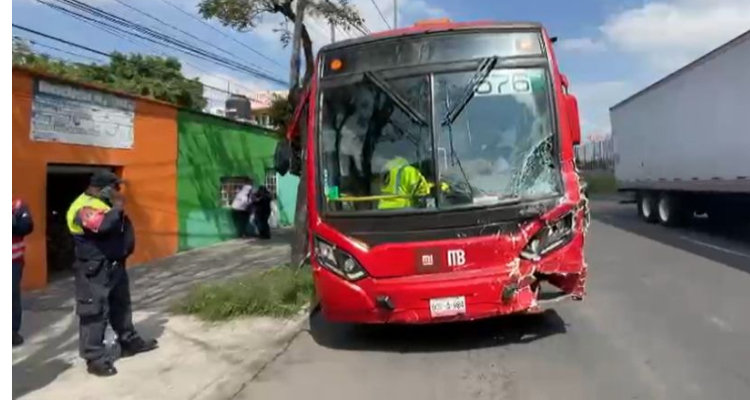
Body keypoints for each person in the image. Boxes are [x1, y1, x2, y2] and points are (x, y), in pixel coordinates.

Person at [66, 171, 157, 377]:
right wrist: (117, 206)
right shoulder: (82, 207)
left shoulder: (103, 204)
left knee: (121, 305)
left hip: (114, 264)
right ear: (103, 188)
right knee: (94, 311)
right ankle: (95, 358)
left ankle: (128, 342)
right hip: (94, 269)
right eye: (114, 188)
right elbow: (103, 225)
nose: (117, 192)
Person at [12, 198, 34, 347]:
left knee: (11, 297)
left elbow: (26, 227)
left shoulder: (17, 205)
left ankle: (12, 332)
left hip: (12, 261)